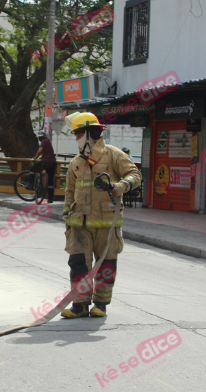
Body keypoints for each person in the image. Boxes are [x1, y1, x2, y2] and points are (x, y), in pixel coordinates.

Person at [61, 112, 141, 319]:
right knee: (78, 264)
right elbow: (70, 191)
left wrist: (119, 186)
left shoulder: (113, 155)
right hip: (79, 224)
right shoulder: (76, 162)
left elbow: (135, 175)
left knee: (105, 266)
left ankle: (101, 305)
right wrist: (67, 216)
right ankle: (79, 305)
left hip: (107, 224)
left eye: (78, 133)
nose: (76, 137)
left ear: (89, 133)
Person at [29, 130, 56, 203]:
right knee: (50, 181)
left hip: (45, 162)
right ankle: (50, 198)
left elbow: (40, 151)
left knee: (32, 169)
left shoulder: (44, 141)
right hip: (53, 163)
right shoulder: (48, 141)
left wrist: (34, 158)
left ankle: (30, 185)